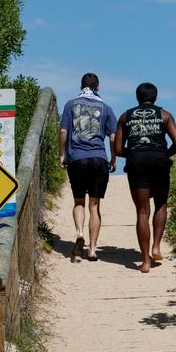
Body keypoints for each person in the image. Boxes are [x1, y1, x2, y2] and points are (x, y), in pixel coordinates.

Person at [115, 82, 176, 273]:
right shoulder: (165, 115)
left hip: (137, 161)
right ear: (155, 97)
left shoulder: (125, 116)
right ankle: (156, 246)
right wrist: (163, 154)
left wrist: (136, 154)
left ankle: (145, 262)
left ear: (137, 98)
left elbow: (118, 149)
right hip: (160, 160)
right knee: (161, 203)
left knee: (142, 212)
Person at [59, 73, 117, 261]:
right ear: (98, 88)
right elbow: (113, 136)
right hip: (99, 159)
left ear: (81, 86)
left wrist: (63, 154)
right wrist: (113, 158)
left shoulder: (70, 104)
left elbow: (63, 131)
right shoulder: (106, 108)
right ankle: (92, 250)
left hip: (77, 159)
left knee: (79, 202)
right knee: (94, 206)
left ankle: (78, 234)